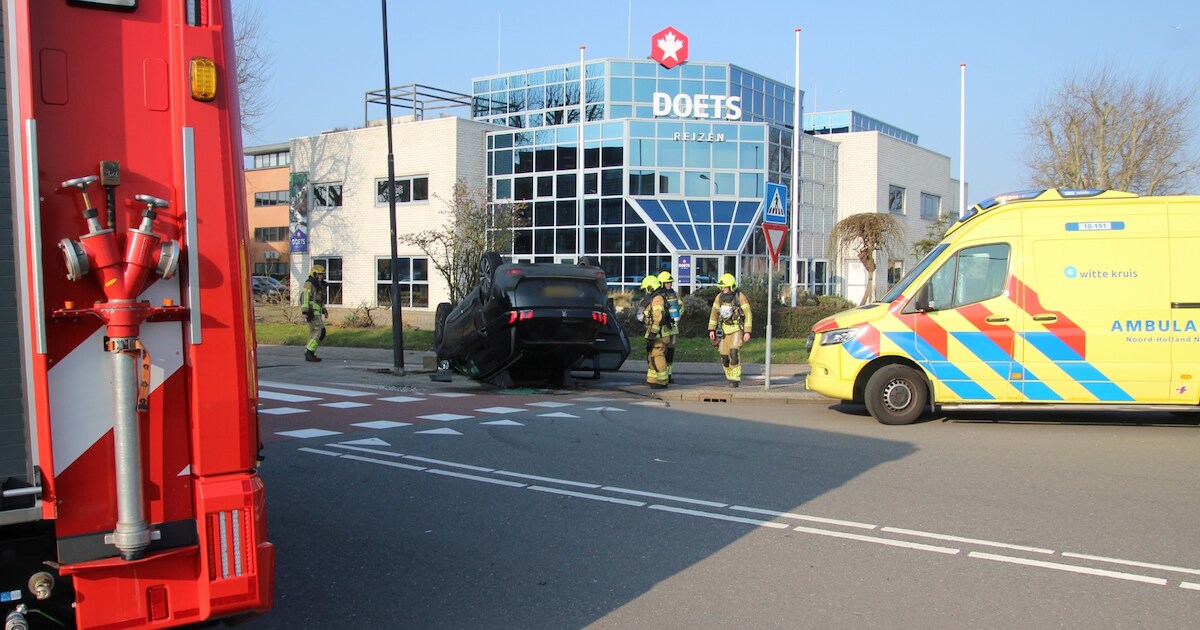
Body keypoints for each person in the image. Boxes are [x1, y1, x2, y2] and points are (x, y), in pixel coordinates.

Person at [707, 273, 752, 387]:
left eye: (726, 287)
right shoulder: (719, 298)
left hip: (736, 329)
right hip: (723, 330)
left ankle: (735, 380)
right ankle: (729, 375)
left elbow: (748, 314)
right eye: (722, 287)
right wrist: (711, 330)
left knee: (734, 353)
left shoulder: (740, 297)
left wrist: (747, 332)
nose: (724, 290)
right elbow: (714, 314)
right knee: (724, 356)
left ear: (732, 286)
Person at [639, 275, 668, 389]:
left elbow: (658, 318)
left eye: (646, 288)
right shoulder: (654, 298)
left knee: (657, 356)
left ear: (650, 288)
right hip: (654, 332)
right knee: (651, 357)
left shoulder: (657, 299)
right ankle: (652, 379)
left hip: (658, 334)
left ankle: (662, 381)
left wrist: (652, 334)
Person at [656, 270, 683, 384]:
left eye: (670, 283)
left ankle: (669, 373)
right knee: (662, 352)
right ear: (661, 283)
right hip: (663, 329)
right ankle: (661, 374)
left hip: (673, 328)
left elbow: (681, 306)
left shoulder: (675, 294)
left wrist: (677, 316)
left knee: (670, 352)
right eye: (667, 283)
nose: (669, 285)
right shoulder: (658, 296)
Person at [300, 264, 328, 362]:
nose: (322, 277)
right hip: (312, 312)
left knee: (316, 332)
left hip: (317, 311)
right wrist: (305, 310)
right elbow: (305, 296)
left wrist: (324, 310)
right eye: (320, 275)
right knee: (319, 331)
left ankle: (309, 351)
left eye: (322, 275)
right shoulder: (309, 284)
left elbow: (319, 300)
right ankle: (309, 351)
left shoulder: (318, 285)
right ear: (315, 274)